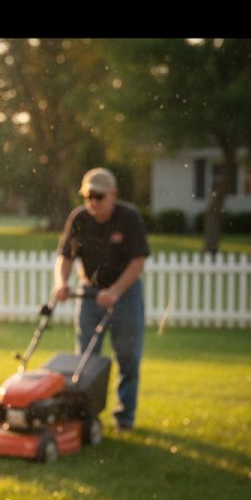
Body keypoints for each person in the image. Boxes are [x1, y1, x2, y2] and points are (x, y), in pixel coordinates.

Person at [53, 167, 150, 431]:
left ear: (113, 194)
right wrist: (62, 284)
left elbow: (137, 261)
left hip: (125, 295)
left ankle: (124, 419)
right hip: (89, 294)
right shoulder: (79, 218)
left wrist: (116, 291)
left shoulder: (128, 218)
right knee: (85, 360)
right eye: (88, 196)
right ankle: (82, 418)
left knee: (128, 357)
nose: (93, 202)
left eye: (99, 196)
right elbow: (66, 257)